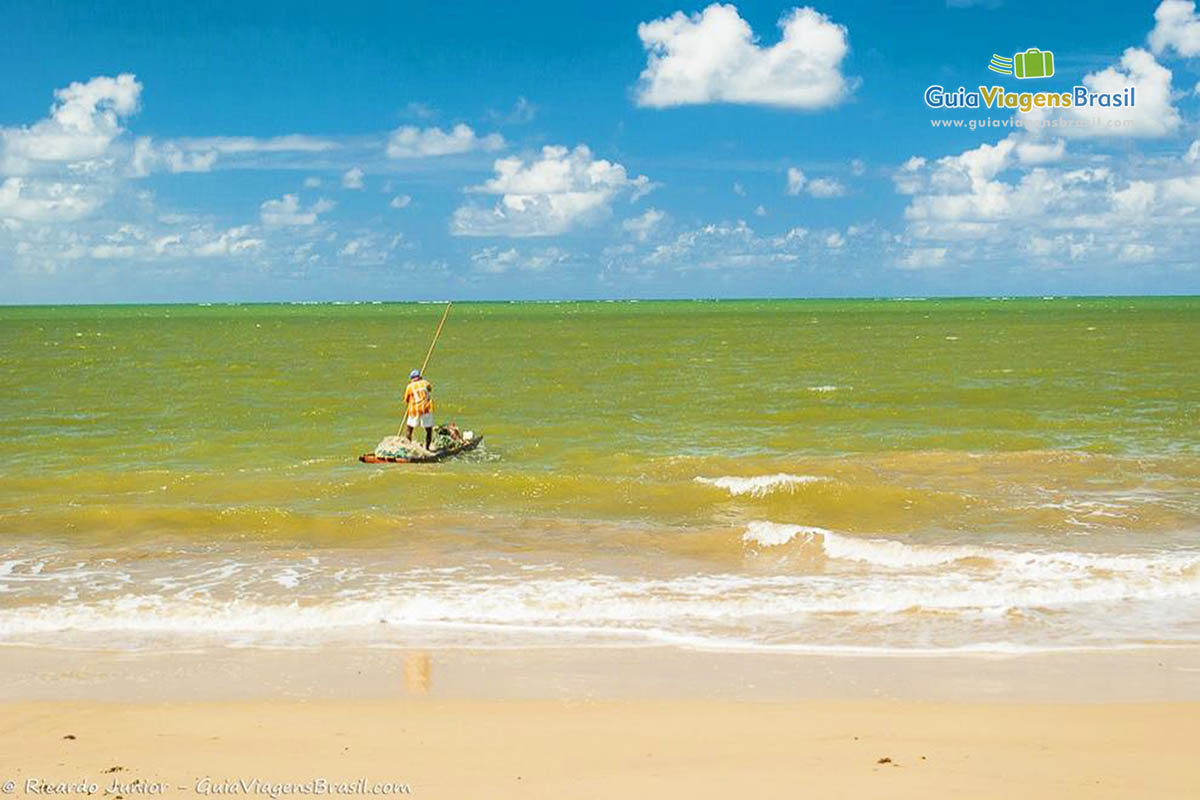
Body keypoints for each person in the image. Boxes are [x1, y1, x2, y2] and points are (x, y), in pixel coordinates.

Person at [402, 369, 435, 450]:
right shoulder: (425, 383)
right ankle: (427, 448)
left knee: (410, 429)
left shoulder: (409, 386)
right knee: (428, 430)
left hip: (414, 410)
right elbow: (430, 389)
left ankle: (408, 447)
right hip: (425, 409)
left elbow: (406, 399)